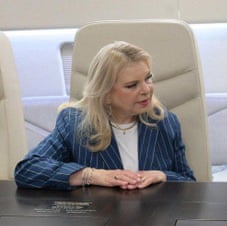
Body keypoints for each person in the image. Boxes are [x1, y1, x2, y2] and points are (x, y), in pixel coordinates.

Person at [15, 41, 195, 190]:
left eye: (148, 78)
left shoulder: (164, 121)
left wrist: (161, 175)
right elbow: (27, 170)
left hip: (153, 220)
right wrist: (91, 175)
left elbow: (188, 181)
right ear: (105, 93)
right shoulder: (75, 122)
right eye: (132, 85)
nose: (147, 90)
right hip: (99, 221)